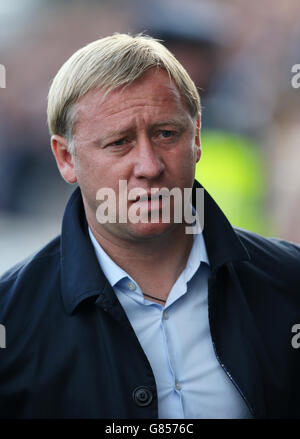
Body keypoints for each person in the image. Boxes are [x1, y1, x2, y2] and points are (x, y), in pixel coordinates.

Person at [0, 34, 299, 420]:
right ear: (65, 158)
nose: (149, 165)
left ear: (197, 137)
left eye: (166, 134)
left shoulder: (288, 284)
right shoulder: (12, 321)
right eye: (119, 142)